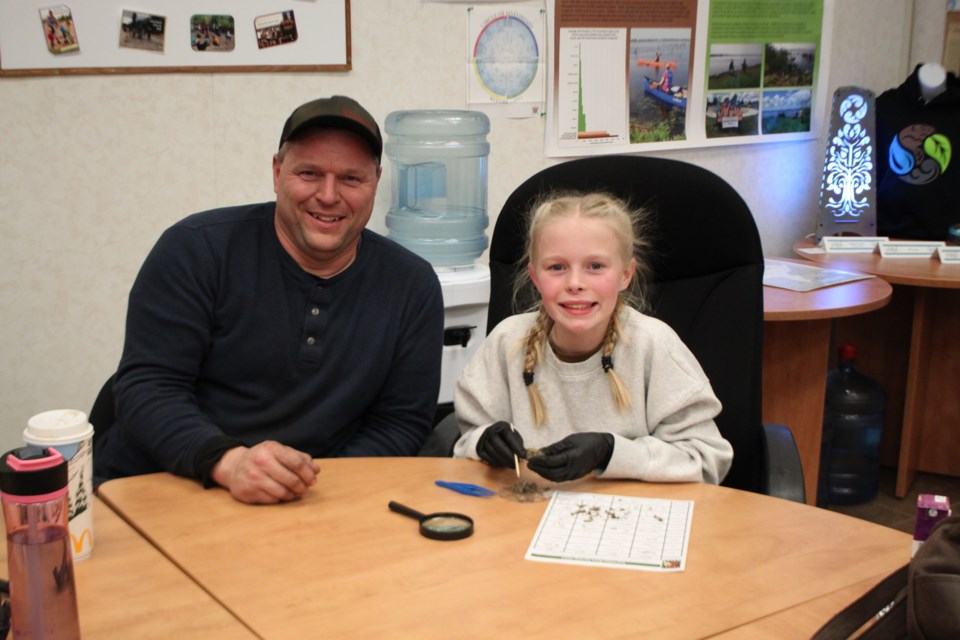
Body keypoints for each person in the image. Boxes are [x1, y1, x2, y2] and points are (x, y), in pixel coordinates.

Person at [94, 96, 444, 504]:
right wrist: (229, 463)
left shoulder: (412, 287)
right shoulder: (195, 250)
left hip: (311, 501)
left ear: (376, 182)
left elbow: (399, 425)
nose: (328, 196)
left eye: (351, 179)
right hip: (165, 484)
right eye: (309, 173)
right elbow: (148, 388)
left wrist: (313, 493)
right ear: (277, 172)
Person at [452, 193, 732, 484]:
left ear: (625, 275)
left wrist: (609, 452)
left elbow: (707, 461)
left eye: (595, 266)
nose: (575, 283)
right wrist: (482, 442)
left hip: (631, 516)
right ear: (534, 277)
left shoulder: (653, 345)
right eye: (557, 267)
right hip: (527, 513)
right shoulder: (507, 342)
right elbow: (465, 443)